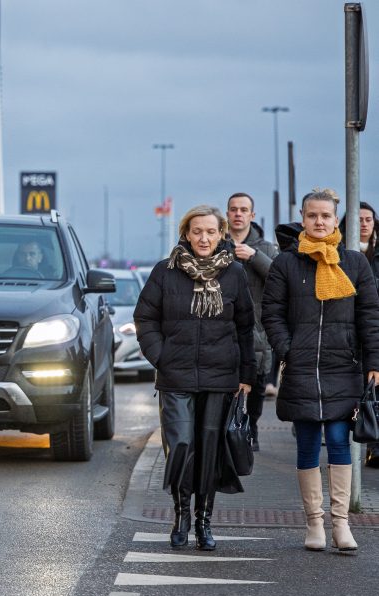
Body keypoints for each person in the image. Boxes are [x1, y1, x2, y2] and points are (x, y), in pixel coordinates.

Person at [262, 188, 379, 552]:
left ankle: (341, 524)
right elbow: (272, 313)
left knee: (341, 441)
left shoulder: (355, 263)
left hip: (343, 366)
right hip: (301, 368)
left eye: (325, 216)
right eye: (312, 216)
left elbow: (370, 317)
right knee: (309, 443)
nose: (319, 222)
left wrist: (374, 362)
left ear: (335, 219)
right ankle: (314, 524)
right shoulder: (286, 263)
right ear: (303, 217)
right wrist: (288, 349)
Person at [134, 205, 255, 551]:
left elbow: (246, 327)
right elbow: (145, 319)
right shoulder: (165, 271)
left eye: (211, 232)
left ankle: (204, 520)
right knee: (182, 445)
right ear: (186, 234)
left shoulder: (233, 274)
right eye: (197, 231)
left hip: (221, 378)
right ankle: (181, 513)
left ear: (221, 235)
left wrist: (247, 373)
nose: (204, 238)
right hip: (176, 377)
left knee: (209, 451)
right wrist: (162, 357)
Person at [226, 192, 279, 451]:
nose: (238, 214)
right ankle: (229, 429)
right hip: (225, 329)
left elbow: (280, 280)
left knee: (257, 386)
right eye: (234, 209)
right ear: (227, 214)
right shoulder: (217, 244)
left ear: (252, 215)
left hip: (258, 330)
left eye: (243, 209)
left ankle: (253, 427)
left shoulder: (266, 247)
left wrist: (254, 256)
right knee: (228, 383)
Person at [341, 201, 379, 468]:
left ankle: (374, 446)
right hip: (350, 334)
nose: (363, 224)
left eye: (368, 219)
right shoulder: (343, 255)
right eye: (358, 220)